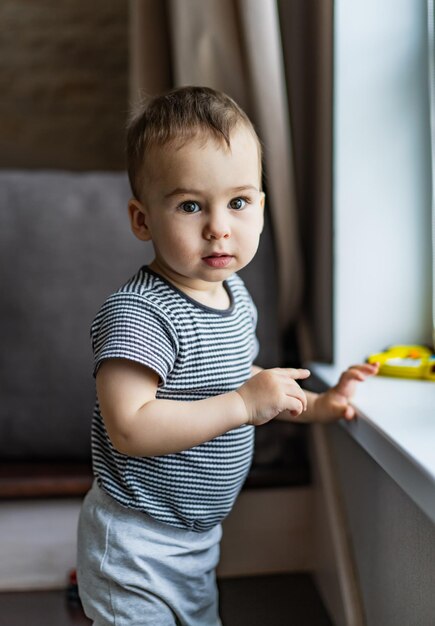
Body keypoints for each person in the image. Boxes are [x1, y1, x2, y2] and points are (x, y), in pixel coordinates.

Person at [76, 86, 379, 626]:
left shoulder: (234, 296)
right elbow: (131, 427)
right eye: (190, 205)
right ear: (143, 221)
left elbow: (245, 381)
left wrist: (317, 405)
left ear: (260, 209)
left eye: (238, 202)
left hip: (197, 538)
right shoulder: (140, 314)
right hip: (136, 542)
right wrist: (242, 404)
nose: (219, 225)